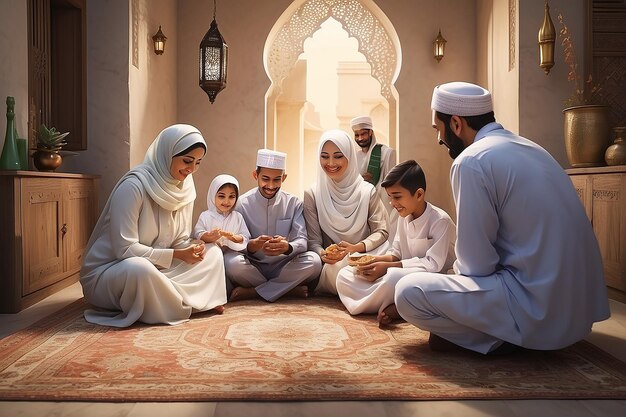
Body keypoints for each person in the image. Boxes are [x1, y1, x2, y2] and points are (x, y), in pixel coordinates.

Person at [394, 81, 610, 355]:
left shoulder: (471, 160)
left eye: (438, 128)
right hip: (578, 315)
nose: (438, 138)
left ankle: (501, 341)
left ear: (456, 124)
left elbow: (477, 265)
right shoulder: (532, 148)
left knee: (407, 292)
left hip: (536, 312)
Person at [80, 124, 227, 327]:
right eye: (187, 161)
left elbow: (179, 240)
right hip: (114, 271)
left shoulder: (185, 187)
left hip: (158, 268)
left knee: (213, 253)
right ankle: (190, 303)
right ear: (167, 153)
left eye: (198, 163)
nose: (192, 169)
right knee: (139, 269)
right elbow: (125, 249)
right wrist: (177, 255)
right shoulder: (133, 186)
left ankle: (174, 301)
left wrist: (195, 246)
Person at [336, 160, 456, 325]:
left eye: (397, 197)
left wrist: (386, 268)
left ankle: (398, 306)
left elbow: (434, 265)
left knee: (393, 277)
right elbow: (396, 253)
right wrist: (374, 261)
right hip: (405, 273)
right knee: (344, 274)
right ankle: (395, 304)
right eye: (390, 198)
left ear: (419, 194)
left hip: (434, 278)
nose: (393, 204)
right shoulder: (404, 217)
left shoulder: (440, 220)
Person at [223, 149, 322, 302]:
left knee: (314, 262)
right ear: (255, 175)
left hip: (284, 266)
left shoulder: (294, 203)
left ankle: (255, 292)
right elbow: (232, 243)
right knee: (231, 263)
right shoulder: (241, 204)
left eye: (277, 179)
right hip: (253, 266)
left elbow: (302, 241)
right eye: (265, 179)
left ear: (284, 177)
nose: (270, 185)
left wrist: (287, 247)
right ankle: (286, 290)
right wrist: (250, 246)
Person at [304, 129, 389, 296]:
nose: (330, 163)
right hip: (334, 262)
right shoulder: (312, 193)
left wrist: (356, 248)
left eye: (338, 156)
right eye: (324, 156)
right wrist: (323, 254)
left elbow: (382, 231)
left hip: (365, 253)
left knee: (384, 257)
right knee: (339, 270)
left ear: (349, 156)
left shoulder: (367, 191)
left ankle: (372, 291)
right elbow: (313, 240)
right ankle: (378, 294)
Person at [351, 116, 398, 241]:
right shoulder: (354, 156)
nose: (360, 138)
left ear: (371, 132)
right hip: (361, 206)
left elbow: (392, 184)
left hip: (382, 206)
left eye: (363, 134)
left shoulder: (387, 153)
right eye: (357, 135)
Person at [194, 174, 249, 253]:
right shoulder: (205, 216)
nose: (226, 201)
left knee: (236, 263)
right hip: (210, 252)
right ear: (213, 195)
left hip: (231, 252)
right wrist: (211, 236)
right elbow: (198, 234)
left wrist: (232, 237)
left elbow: (245, 237)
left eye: (231, 197)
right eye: (221, 196)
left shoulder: (237, 217)